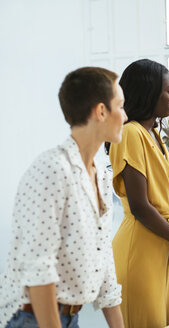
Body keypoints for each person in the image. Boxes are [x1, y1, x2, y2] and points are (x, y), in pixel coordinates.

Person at [0, 67, 126, 327]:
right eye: (120, 106)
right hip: (29, 319)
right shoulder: (51, 170)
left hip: (70, 316)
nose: (125, 116)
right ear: (101, 111)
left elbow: (104, 261)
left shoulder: (101, 174)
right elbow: (39, 270)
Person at [107, 59, 169, 327]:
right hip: (140, 251)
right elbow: (141, 207)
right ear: (148, 92)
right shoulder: (131, 133)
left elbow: (163, 203)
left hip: (159, 248)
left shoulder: (154, 135)